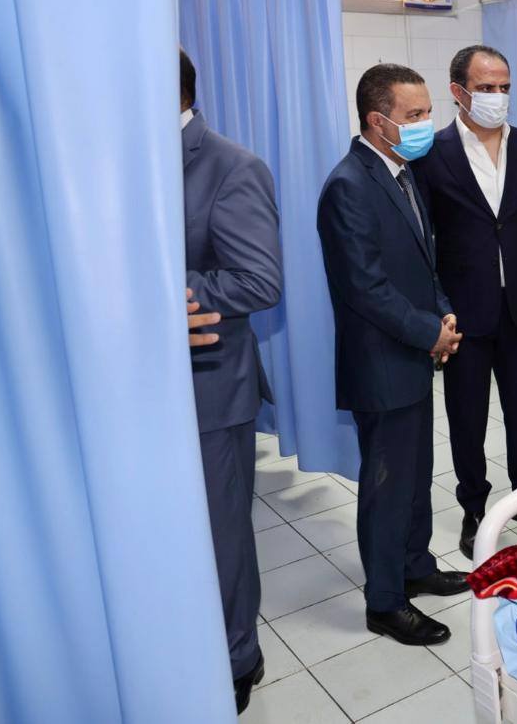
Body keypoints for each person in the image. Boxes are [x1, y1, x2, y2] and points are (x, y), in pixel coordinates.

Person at [316, 63, 468, 647]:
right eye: (414, 115)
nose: (426, 123)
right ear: (378, 122)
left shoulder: (403, 173)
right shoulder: (348, 186)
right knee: (386, 486)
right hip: (381, 362)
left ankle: (415, 565)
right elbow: (365, 287)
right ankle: (384, 601)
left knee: (414, 473)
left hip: (411, 354)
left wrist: (442, 310)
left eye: (427, 111)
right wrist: (429, 333)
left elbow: (424, 260)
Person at [414, 45, 517, 560]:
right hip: (464, 312)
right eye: (486, 88)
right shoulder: (432, 152)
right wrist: (435, 308)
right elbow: (422, 240)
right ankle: (475, 508)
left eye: (504, 87)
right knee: (467, 419)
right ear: (458, 92)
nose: (498, 97)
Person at [180, 50, 282, 713]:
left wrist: (153, 286)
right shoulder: (119, 163)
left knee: (222, 535)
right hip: (137, 388)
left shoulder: (229, 166)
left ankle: (238, 655)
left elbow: (258, 281)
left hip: (211, 385)